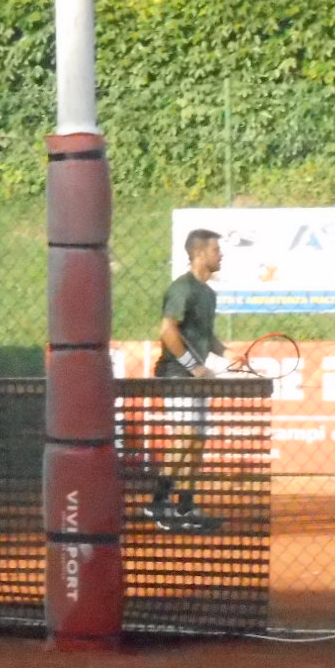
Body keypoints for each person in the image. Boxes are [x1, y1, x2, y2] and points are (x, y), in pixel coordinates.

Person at [146, 228, 225, 534]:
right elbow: (168, 331)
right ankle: (158, 503)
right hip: (176, 374)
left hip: (195, 378)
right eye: (216, 250)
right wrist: (195, 367)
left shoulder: (208, 294)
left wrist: (229, 354)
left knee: (197, 439)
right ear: (199, 254)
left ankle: (185, 506)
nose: (221, 255)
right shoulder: (183, 288)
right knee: (186, 434)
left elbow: (206, 336)